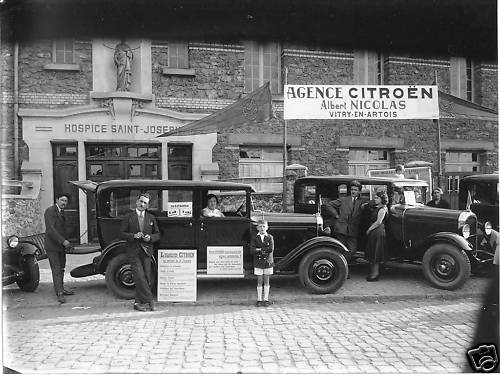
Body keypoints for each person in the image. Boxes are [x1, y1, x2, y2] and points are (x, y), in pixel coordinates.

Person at [120, 193, 160, 312]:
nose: (142, 204)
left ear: (148, 206)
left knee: (146, 277)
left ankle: (137, 303)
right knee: (140, 276)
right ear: (136, 202)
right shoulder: (128, 217)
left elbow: (158, 234)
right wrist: (133, 236)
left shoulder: (151, 218)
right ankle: (151, 301)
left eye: (145, 203)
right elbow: (121, 233)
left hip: (147, 251)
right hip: (133, 251)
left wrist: (150, 238)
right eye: (141, 201)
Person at [323, 180, 369, 260]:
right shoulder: (343, 200)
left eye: (355, 190)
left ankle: (339, 262)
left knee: (352, 250)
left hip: (353, 230)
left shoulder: (363, 201)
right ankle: (338, 264)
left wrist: (366, 205)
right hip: (341, 228)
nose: (353, 192)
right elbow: (329, 205)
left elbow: (372, 203)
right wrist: (336, 215)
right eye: (352, 190)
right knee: (340, 248)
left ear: (359, 191)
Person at [44, 193, 74, 304]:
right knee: (56, 269)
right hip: (52, 246)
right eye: (62, 200)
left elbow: (62, 229)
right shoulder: (50, 211)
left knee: (61, 268)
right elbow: (51, 230)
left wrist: (67, 242)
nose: (64, 203)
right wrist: (64, 241)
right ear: (56, 200)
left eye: (65, 201)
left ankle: (61, 288)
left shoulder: (62, 212)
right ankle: (59, 294)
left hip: (60, 246)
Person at [364, 191, 389, 281]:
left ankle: (375, 274)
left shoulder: (382, 209)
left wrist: (369, 229)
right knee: (374, 252)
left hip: (377, 232)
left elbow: (378, 222)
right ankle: (374, 273)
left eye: (377, 198)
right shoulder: (378, 207)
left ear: (382, 199)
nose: (375, 199)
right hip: (375, 232)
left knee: (376, 253)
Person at [251, 219, 274, 307]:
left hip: (268, 261)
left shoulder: (270, 237)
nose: (262, 228)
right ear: (257, 227)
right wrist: (264, 249)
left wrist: (259, 249)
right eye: (260, 226)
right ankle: (259, 299)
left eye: (264, 226)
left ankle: (266, 299)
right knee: (259, 281)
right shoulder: (254, 237)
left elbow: (271, 249)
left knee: (267, 281)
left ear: (267, 227)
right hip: (258, 261)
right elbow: (252, 250)